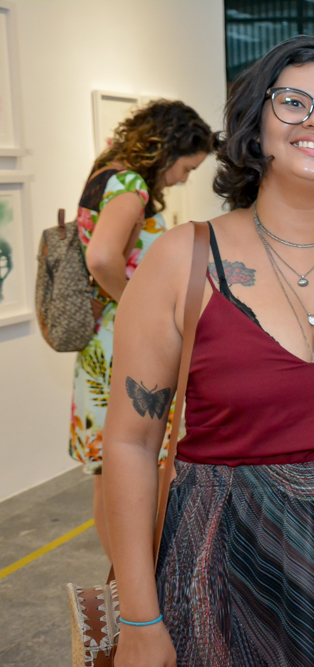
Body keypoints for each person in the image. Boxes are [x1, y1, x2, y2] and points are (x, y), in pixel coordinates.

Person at [102, 36, 314, 666]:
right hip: (220, 574)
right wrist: (139, 616)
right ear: (255, 125)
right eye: (293, 102)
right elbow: (128, 445)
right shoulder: (182, 260)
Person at [69, 99, 213, 560]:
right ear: (167, 151)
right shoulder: (130, 185)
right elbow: (103, 259)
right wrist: (137, 306)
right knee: (137, 468)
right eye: (186, 168)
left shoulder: (104, 175)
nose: (183, 179)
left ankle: (123, 585)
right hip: (121, 344)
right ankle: (138, 590)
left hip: (101, 341)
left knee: (109, 473)